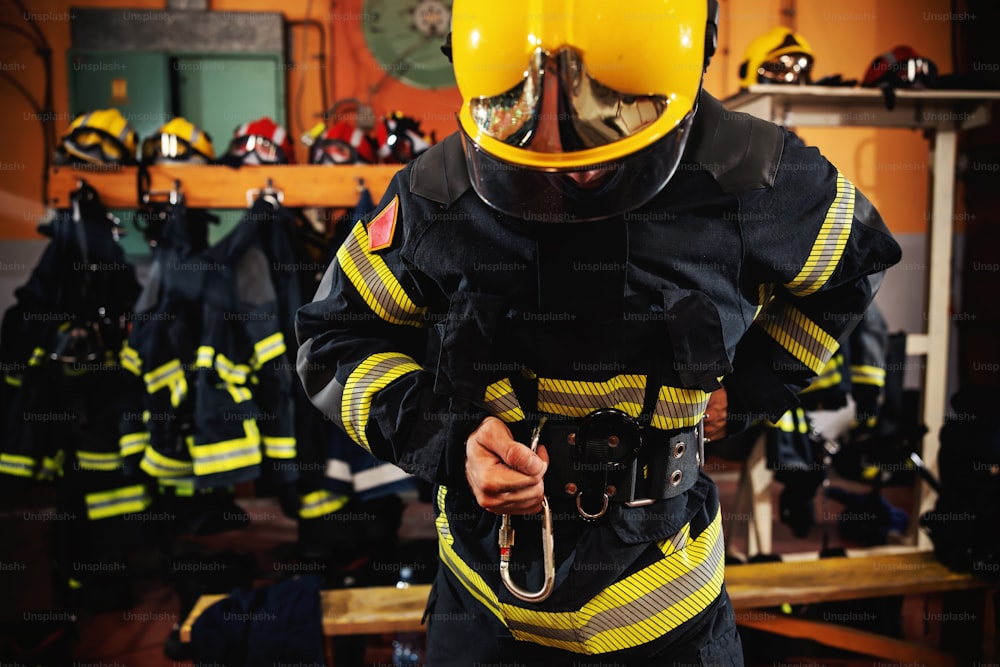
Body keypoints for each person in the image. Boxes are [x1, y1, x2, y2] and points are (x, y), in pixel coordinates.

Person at [295, 1, 902, 664]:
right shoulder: (437, 194)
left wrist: (753, 386)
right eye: (534, 133)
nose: (569, 165)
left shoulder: (750, 174)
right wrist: (453, 442)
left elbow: (855, 264)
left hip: (671, 618)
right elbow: (334, 338)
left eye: (609, 120)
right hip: (487, 613)